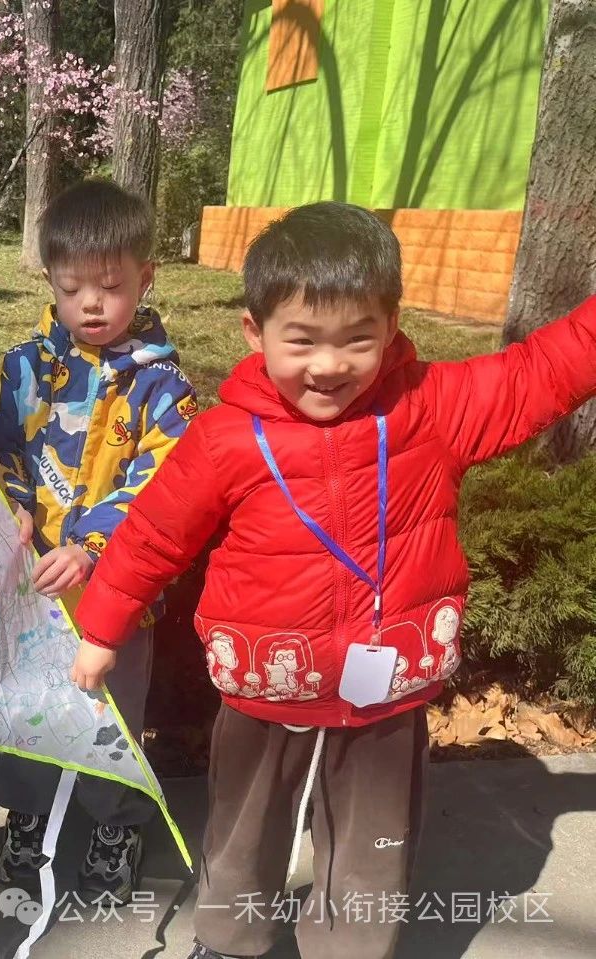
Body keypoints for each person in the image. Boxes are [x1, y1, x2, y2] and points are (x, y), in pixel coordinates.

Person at [71, 201, 596, 959]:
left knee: (372, 853)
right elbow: (152, 536)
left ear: (391, 327)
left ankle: (352, 947)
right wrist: (101, 629)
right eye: (302, 340)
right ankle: (229, 941)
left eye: (358, 339)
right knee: (243, 838)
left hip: (385, 695)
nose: (329, 365)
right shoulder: (224, 439)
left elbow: (541, 371)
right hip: (264, 687)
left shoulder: (431, 409)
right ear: (254, 332)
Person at [0, 179, 198, 904]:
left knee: (114, 715)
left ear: (146, 277)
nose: (92, 305)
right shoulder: (24, 368)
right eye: (73, 288)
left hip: (117, 593)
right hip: (32, 588)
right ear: (50, 279)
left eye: (111, 286)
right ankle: (27, 810)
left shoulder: (163, 388)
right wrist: (10, 506)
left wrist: (96, 547)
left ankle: (117, 821)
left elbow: (163, 485)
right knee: (24, 706)